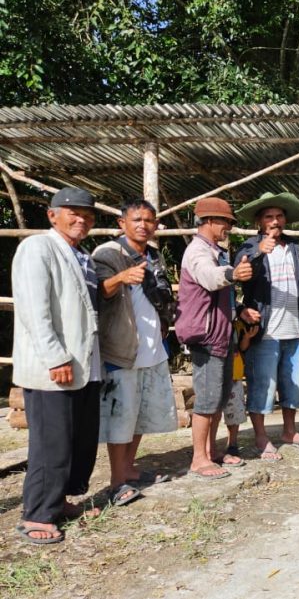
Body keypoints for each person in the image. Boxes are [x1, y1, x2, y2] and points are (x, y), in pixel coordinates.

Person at [12, 187, 104, 544]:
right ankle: (36, 513)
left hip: (83, 365)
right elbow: (36, 309)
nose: (81, 219)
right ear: (52, 215)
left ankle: (58, 500)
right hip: (55, 365)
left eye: (88, 214)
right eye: (72, 212)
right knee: (51, 443)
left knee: (76, 439)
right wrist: (56, 357)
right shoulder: (38, 248)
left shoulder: (79, 255)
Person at [93, 199, 182, 508]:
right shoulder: (107, 254)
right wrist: (120, 278)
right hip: (122, 348)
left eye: (149, 220)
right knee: (121, 415)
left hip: (152, 347)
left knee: (140, 414)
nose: (143, 225)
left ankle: (129, 468)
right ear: (122, 224)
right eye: (137, 219)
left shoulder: (154, 256)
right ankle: (117, 481)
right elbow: (97, 292)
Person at [175, 197, 255, 481]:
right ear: (208, 221)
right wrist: (233, 273)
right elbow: (210, 278)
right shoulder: (198, 251)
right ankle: (199, 459)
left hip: (221, 335)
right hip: (206, 336)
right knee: (207, 400)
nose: (228, 228)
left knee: (218, 398)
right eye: (225, 222)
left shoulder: (214, 250)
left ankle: (210, 451)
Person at [235, 192, 299, 461]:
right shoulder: (248, 247)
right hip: (265, 330)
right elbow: (237, 275)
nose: (275, 220)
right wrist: (258, 252)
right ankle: (260, 436)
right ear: (259, 221)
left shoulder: (293, 247)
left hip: (292, 326)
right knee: (262, 385)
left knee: (293, 386)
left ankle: (289, 431)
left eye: (279, 216)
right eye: (269, 216)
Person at [225, 318, 257, 458]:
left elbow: (243, 347)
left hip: (235, 372)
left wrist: (248, 337)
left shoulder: (237, 324)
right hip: (217, 372)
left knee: (234, 410)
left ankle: (232, 443)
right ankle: (209, 445)